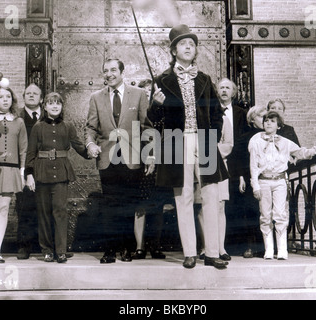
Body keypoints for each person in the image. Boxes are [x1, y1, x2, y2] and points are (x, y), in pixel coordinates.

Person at [148, 24, 229, 269]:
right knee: (182, 197)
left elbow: (217, 114)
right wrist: (155, 104)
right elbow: (153, 120)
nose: (188, 47)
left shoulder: (204, 79)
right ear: (174, 50)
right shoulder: (161, 80)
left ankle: (212, 252)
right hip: (176, 142)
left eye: (192, 44)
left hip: (203, 141)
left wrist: (211, 139)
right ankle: (190, 252)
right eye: (183, 44)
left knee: (211, 196)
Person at [84, 59, 154, 264]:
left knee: (128, 205)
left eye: (113, 70)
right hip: (107, 159)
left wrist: (150, 155)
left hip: (132, 159)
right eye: (105, 71)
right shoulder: (96, 98)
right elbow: (90, 128)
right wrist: (90, 144)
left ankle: (126, 248)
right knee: (109, 206)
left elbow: (146, 127)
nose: (109, 74)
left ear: (122, 72)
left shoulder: (139, 94)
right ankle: (109, 250)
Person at [248, 111, 316, 260]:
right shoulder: (256, 142)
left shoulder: (284, 142)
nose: (268, 123)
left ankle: (282, 249)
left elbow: (300, 152)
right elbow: (253, 166)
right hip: (264, 181)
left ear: (278, 125)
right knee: (265, 215)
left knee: (280, 213)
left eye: (272, 121)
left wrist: (315, 149)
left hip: (280, 182)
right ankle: (269, 249)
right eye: (266, 121)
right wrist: (255, 185)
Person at [25, 92, 89, 263]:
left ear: (61, 107)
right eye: (51, 103)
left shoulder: (68, 126)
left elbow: (79, 146)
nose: (55, 106)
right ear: (44, 106)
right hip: (41, 173)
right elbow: (31, 152)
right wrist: (29, 174)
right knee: (44, 213)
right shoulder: (38, 127)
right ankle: (46, 250)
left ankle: (60, 250)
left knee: (61, 212)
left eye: (58, 103)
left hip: (61, 173)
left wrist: (92, 152)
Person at [0, 87, 28, 263]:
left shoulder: (19, 122)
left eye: (8, 97)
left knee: (3, 209)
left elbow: (23, 149)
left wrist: (21, 171)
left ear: (13, 100)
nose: (5, 100)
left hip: (11, 170)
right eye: (1, 97)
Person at [132, 79, 166, 260]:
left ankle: (155, 246)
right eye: (144, 93)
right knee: (141, 206)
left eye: (150, 93)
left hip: (160, 162)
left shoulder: (159, 113)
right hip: (139, 160)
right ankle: (139, 247)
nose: (147, 96)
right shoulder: (137, 113)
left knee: (158, 206)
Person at [196, 105, 233, 261]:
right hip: (198, 163)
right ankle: (206, 247)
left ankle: (220, 247)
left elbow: (228, 145)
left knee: (219, 206)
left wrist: (209, 150)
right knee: (202, 206)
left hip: (217, 164)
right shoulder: (196, 121)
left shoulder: (224, 120)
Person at [217, 78, 249, 253]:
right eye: (221, 87)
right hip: (217, 161)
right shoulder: (212, 112)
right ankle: (217, 246)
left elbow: (243, 143)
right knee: (217, 204)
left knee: (235, 204)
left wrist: (242, 173)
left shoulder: (240, 113)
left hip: (235, 164)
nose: (224, 91)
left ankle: (235, 246)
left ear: (233, 92)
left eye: (227, 88)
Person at [232, 105, 267, 258]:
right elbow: (237, 158)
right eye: (261, 117)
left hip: (267, 178)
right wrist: (240, 177)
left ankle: (266, 247)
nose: (265, 121)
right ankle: (250, 246)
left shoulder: (271, 135)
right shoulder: (245, 136)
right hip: (248, 178)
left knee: (266, 212)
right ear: (252, 120)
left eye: (267, 118)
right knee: (250, 212)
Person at [15, 83, 43, 260]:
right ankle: (24, 246)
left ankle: (46, 245)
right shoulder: (17, 117)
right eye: (28, 93)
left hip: (46, 167)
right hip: (24, 166)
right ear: (23, 97)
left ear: (41, 98)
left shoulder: (49, 115)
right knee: (24, 206)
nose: (31, 96)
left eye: (35, 94)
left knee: (46, 207)